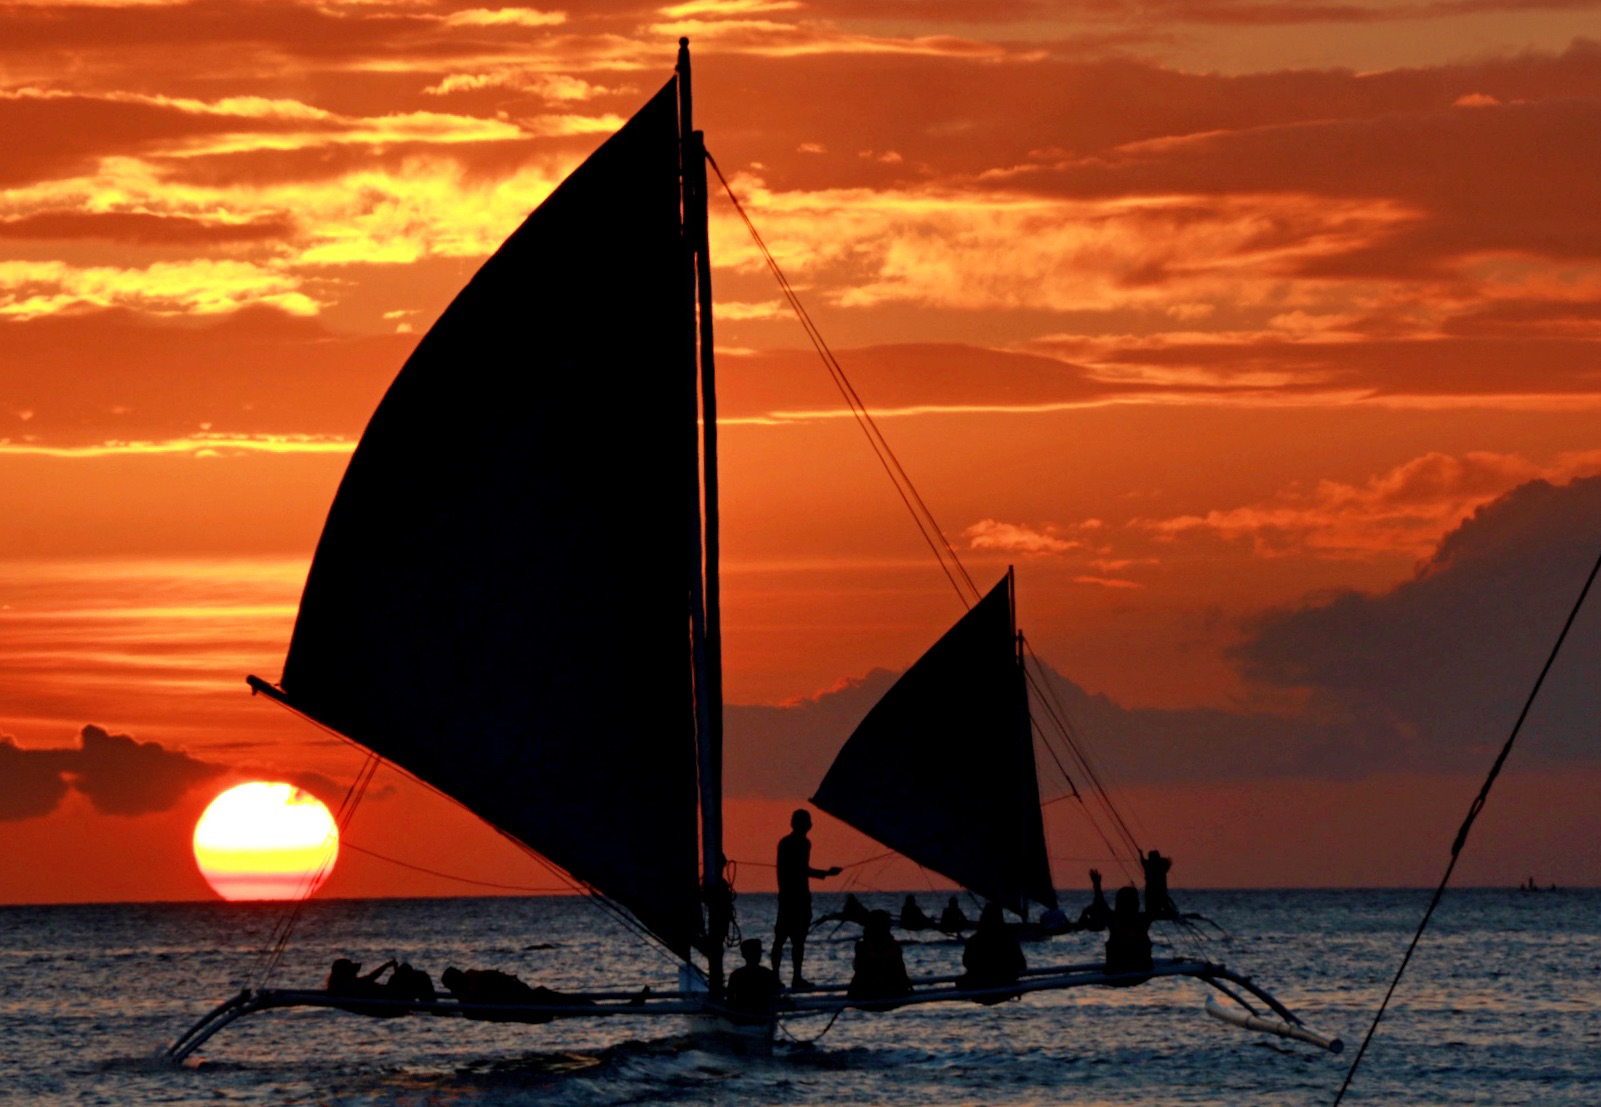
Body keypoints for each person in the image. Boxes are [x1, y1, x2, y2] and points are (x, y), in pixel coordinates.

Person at [771, 808, 840, 990]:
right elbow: (801, 869)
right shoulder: (795, 843)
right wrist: (826, 873)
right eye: (806, 822)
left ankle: (792, 978)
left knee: (793, 940)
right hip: (793, 898)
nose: (809, 825)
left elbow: (800, 869)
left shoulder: (795, 843)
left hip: (794, 897)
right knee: (784, 939)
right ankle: (783, 978)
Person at [955, 903, 1026, 1004]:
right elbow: (1022, 965)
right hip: (1005, 987)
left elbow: (966, 962)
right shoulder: (1010, 940)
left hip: (978, 988)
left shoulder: (972, 941)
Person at [846, 909, 912, 1009]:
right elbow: (901, 971)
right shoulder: (894, 946)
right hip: (895, 995)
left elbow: (858, 968)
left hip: (863, 996)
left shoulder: (861, 947)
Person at [724, 938, 785, 1023]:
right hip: (763, 1018)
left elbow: (730, 1000)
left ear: (743, 955)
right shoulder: (768, 974)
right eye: (757, 952)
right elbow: (777, 994)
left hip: (742, 1018)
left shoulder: (736, 975)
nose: (758, 955)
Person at [1103, 886, 1153, 985]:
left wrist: (1097, 885)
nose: (1138, 903)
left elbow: (1101, 905)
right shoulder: (1143, 919)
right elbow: (1152, 904)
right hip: (1139, 972)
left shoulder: (1112, 919)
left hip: (1118, 972)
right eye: (1136, 900)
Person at [1141, 849, 1177, 920]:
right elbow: (1143, 861)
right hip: (1160, 890)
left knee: (1154, 903)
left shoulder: (1149, 865)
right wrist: (1141, 854)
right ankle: (1166, 912)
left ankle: (1156, 912)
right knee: (1162, 903)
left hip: (1152, 890)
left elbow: (1143, 862)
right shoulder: (1162, 865)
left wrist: (1141, 854)